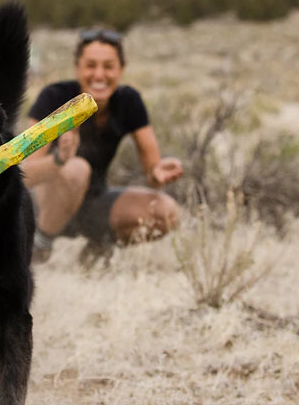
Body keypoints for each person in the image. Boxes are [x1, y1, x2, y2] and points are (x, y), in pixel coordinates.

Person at [21, 28, 184, 263]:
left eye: (108, 66)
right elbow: (24, 175)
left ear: (121, 70)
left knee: (166, 212)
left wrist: (158, 173)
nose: (99, 75)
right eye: (91, 65)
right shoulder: (54, 97)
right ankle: (40, 246)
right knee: (77, 169)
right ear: (77, 68)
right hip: (44, 205)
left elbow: (152, 171)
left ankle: (97, 248)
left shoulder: (129, 101)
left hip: (93, 202)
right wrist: (59, 160)